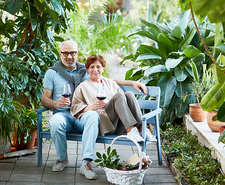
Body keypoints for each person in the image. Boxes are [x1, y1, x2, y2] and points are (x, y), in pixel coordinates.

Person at [41, 41, 149, 180]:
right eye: (65, 53)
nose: (69, 56)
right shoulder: (52, 73)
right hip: (63, 113)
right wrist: (56, 104)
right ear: (60, 54)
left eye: (72, 52)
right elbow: (44, 99)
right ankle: (62, 159)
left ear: (77, 54)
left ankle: (86, 163)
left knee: (92, 115)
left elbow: (104, 78)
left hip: (82, 116)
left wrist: (132, 83)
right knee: (55, 123)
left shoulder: (84, 70)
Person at [71, 54, 157, 144]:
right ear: (88, 69)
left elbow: (124, 101)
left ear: (103, 68)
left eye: (98, 67)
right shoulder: (82, 87)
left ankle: (142, 128)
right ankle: (131, 130)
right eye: (92, 67)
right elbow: (74, 108)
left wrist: (132, 83)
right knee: (119, 95)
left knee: (129, 94)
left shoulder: (110, 83)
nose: (95, 70)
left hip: (118, 123)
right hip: (103, 125)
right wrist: (92, 106)